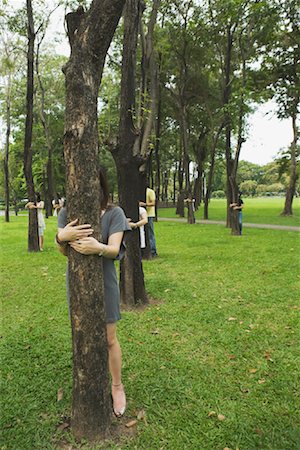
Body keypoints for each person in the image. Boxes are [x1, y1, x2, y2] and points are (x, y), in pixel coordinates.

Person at [55, 167, 130, 418]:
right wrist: (60, 237)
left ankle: (117, 386)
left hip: (105, 281)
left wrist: (97, 247)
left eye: (94, 181)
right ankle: (86, 383)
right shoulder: (67, 212)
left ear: (101, 184)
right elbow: (66, 252)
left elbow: (114, 249)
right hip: (77, 284)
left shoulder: (114, 213)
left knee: (109, 338)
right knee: (82, 336)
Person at [139, 187, 158, 257]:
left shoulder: (150, 191)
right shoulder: (138, 191)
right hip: (140, 214)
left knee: (150, 233)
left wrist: (144, 204)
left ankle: (153, 251)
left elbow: (153, 203)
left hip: (149, 215)